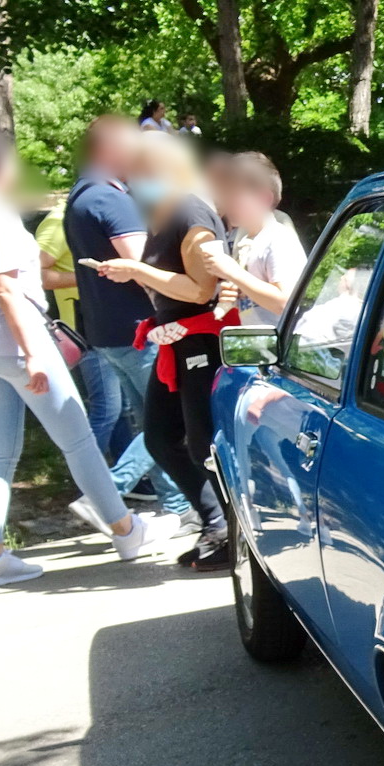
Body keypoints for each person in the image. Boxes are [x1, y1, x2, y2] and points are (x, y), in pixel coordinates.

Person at [0, 127, 166, 588]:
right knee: (78, 441)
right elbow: (8, 290)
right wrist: (33, 353)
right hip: (16, 344)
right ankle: (126, 531)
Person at [85, 131, 233, 572]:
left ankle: (226, 530)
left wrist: (136, 270)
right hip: (176, 339)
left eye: (139, 173)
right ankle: (216, 523)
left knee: (201, 440)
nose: (132, 182)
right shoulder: (167, 212)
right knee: (161, 437)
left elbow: (201, 287)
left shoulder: (190, 210)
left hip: (201, 339)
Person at [63, 116, 192, 529]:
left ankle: (176, 508)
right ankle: (107, 493)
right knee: (163, 423)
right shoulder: (110, 200)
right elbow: (142, 265)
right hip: (142, 327)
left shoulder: (80, 196)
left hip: (107, 330)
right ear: (110, 149)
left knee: (148, 417)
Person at [204, 152, 305, 324]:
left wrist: (233, 273)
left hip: (284, 347)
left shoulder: (278, 239)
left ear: (264, 198)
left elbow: (287, 303)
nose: (226, 202)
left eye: (233, 195)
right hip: (260, 347)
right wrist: (235, 291)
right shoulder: (247, 241)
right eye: (224, 195)